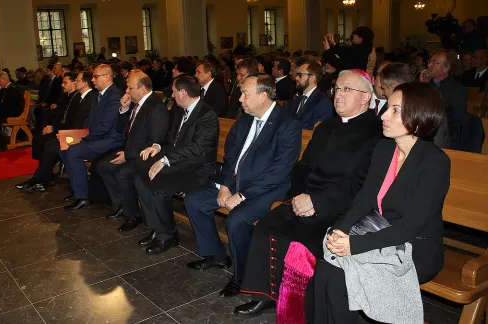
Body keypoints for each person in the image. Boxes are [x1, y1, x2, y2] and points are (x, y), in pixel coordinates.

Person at [234, 70, 382, 318]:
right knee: (266, 227)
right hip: (306, 199)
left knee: (303, 244)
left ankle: (302, 307)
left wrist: (318, 202)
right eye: (337, 89)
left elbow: (363, 184)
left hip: (341, 208)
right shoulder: (325, 127)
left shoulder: (377, 132)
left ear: (366, 97)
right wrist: (298, 196)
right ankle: (265, 296)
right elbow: (303, 167)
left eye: (347, 89)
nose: (338, 95)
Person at [307, 82, 450, 324]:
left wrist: (354, 244)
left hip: (414, 248)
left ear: (419, 115)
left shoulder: (435, 162)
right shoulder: (385, 148)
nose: (384, 115)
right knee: (324, 271)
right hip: (378, 234)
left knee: (342, 280)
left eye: (395, 110)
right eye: (387, 108)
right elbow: (364, 200)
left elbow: (409, 228)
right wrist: (340, 230)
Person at [185, 73, 302, 298]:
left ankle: (242, 276)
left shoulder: (287, 125)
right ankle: (217, 256)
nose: (240, 99)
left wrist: (242, 194)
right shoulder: (245, 119)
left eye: (245, 94)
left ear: (263, 96)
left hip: (267, 190)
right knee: (195, 200)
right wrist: (225, 186)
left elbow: (279, 172)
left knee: (238, 219)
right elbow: (231, 158)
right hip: (235, 185)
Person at [135, 75, 219, 253]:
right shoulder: (181, 110)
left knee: (158, 186)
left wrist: (165, 161)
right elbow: (170, 139)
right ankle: (157, 227)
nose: (172, 95)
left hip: (197, 169)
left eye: (174, 91)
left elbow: (197, 149)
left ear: (182, 93)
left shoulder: (207, 115)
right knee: (140, 173)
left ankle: (167, 236)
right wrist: (157, 147)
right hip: (179, 162)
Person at [94, 71, 169, 231]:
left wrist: (128, 156)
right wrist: (124, 108)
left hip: (145, 157)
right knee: (102, 166)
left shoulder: (155, 107)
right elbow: (122, 129)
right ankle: (123, 204)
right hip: (130, 151)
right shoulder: (137, 104)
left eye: (130, 87)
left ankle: (134, 214)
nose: (126, 91)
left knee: (122, 173)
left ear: (142, 89)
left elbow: (154, 141)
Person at [17, 72, 96, 192]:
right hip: (73, 132)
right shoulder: (79, 97)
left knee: (51, 145)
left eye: (77, 80)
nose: (75, 83)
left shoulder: (89, 98)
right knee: (45, 142)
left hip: (80, 135)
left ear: (85, 83)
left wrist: (63, 132)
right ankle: (41, 178)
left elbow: (80, 122)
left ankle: (41, 179)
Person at [61, 64, 123, 210]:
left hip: (110, 139)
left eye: (96, 76)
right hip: (97, 137)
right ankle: (78, 190)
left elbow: (106, 126)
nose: (93, 80)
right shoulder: (98, 94)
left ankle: (83, 196)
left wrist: (85, 138)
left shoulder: (115, 96)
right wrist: (81, 134)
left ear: (107, 77)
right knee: (63, 147)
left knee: (73, 152)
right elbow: (90, 120)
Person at [31, 72, 81, 160]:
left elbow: (70, 120)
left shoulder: (78, 98)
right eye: (62, 82)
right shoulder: (65, 96)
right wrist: (50, 127)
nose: (62, 85)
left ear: (74, 83)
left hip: (69, 131)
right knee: (38, 137)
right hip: (60, 127)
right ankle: (44, 168)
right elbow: (59, 115)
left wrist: (54, 128)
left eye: (65, 83)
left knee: (45, 141)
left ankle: (45, 169)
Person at [284, 62, 333, 129]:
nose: (296, 78)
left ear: (312, 78)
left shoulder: (323, 102)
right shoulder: (295, 98)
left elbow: (320, 131)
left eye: (300, 75)